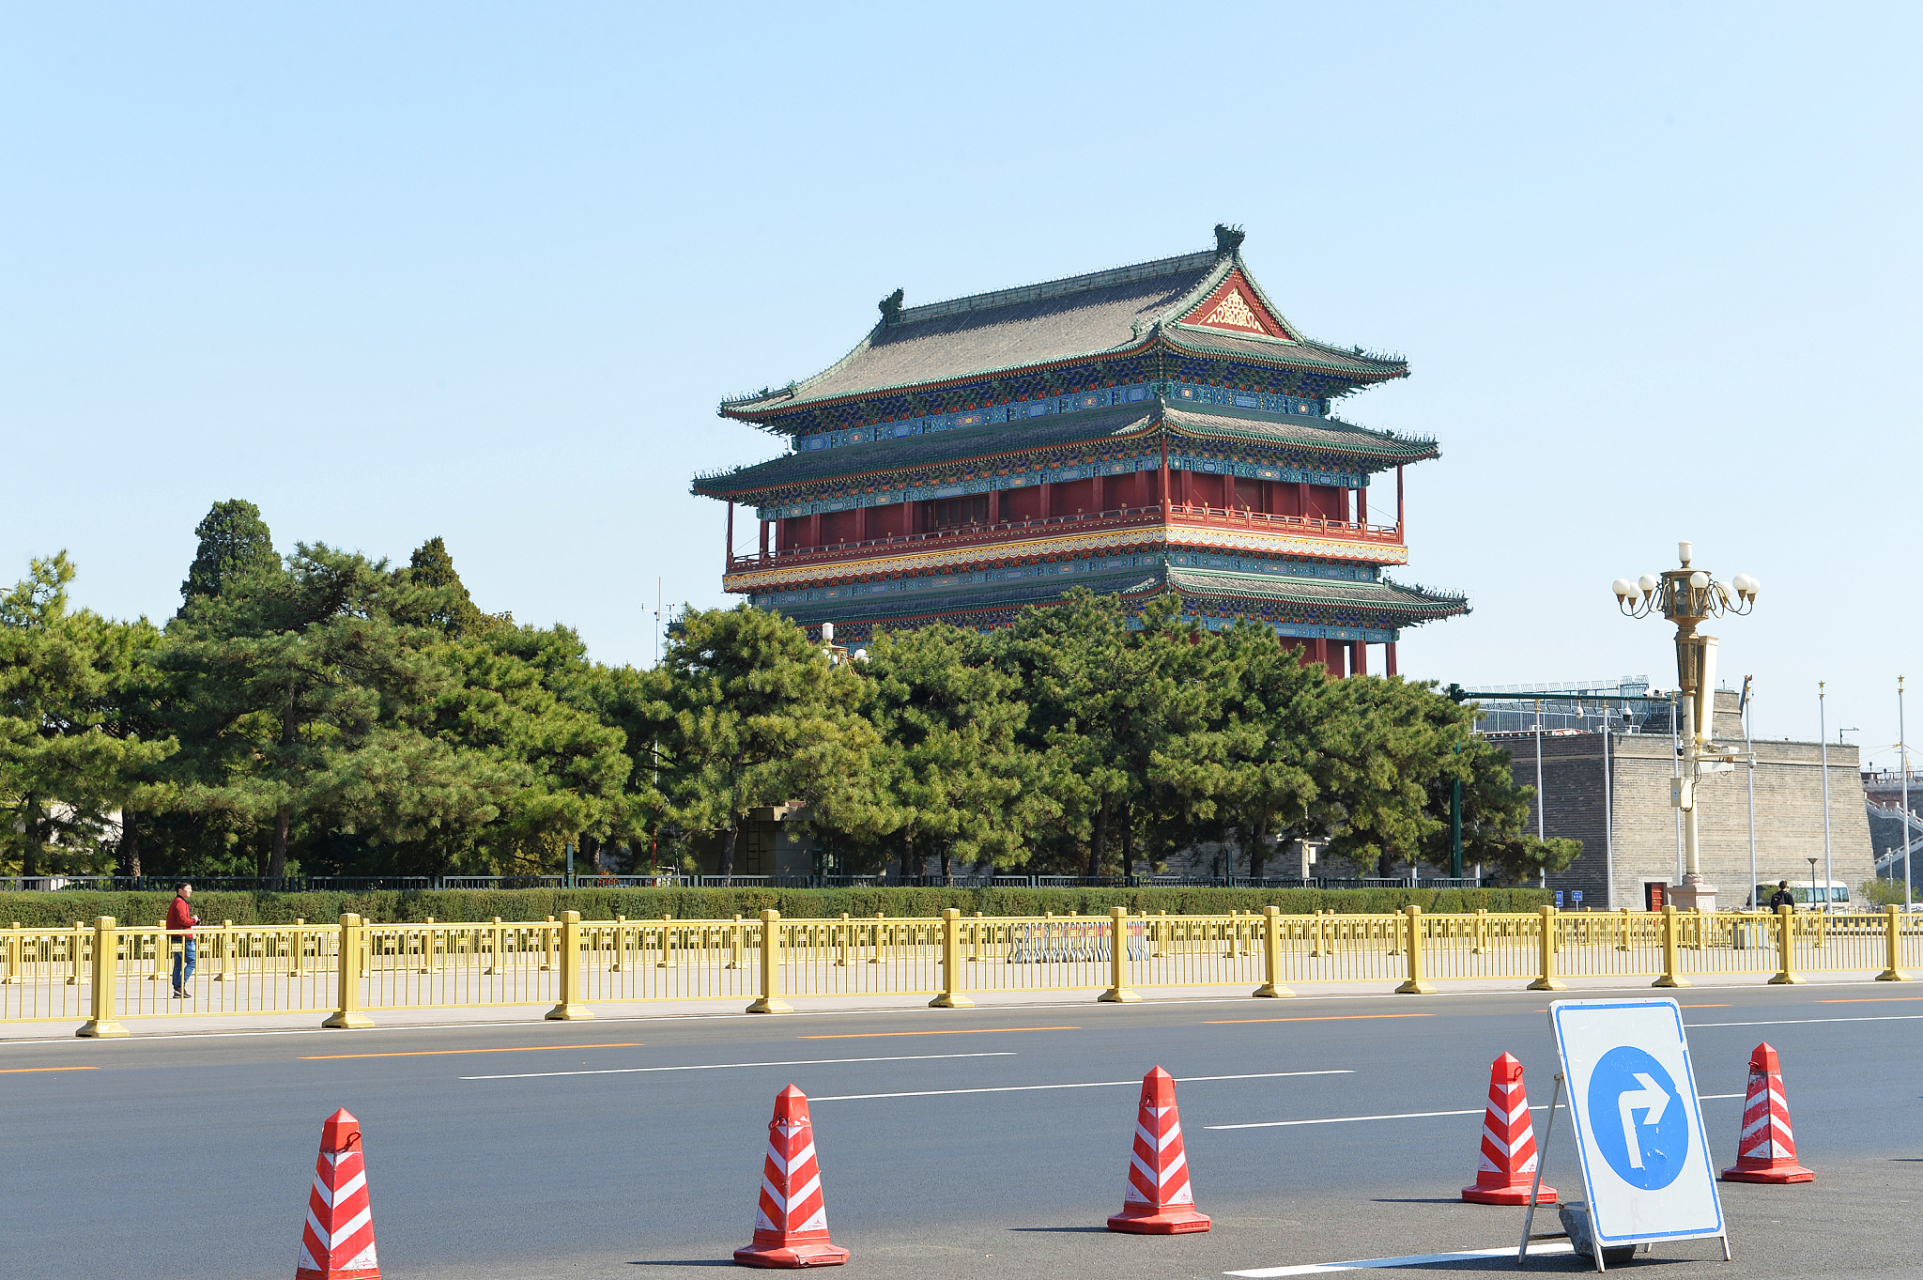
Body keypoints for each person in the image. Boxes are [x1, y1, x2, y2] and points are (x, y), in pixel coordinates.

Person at [166, 883, 199, 998]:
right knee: (192, 961)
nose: (190, 891)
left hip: (177, 936)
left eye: (191, 889)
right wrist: (193, 921)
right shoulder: (180, 902)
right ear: (180, 890)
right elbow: (182, 920)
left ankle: (177, 989)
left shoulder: (177, 901)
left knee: (178, 964)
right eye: (188, 889)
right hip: (183, 937)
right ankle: (180, 985)